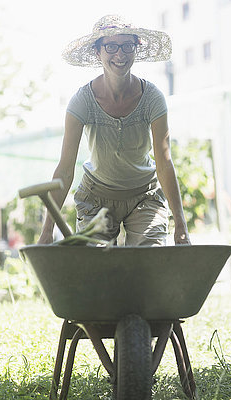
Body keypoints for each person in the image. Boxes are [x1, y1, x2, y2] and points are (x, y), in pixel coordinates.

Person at [37, 15, 191, 246]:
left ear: (136, 50)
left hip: (144, 196)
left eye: (127, 46)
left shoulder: (152, 98)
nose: (120, 54)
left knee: (149, 262)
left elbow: (164, 162)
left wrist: (180, 223)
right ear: (98, 52)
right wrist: (47, 230)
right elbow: (65, 169)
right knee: (99, 271)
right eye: (111, 46)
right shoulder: (82, 101)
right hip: (96, 198)